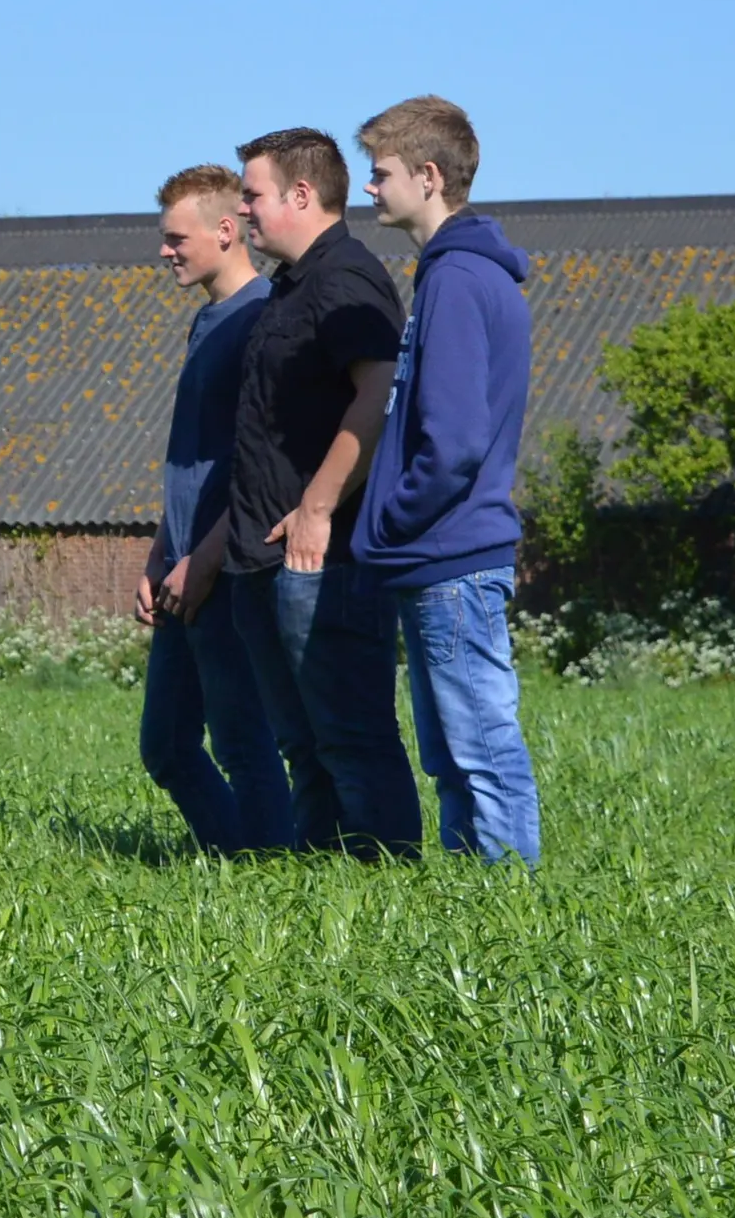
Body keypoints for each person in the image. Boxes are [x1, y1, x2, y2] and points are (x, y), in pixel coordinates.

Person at [351, 96, 542, 862]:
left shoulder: (458, 279)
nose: (369, 189)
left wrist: (393, 518)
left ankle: (506, 921)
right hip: (444, 554)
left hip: (450, 555)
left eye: (381, 173)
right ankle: (475, 912)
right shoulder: (453, 274)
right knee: (454, 754)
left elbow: (454, 441)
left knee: (479, 748)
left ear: (428, 177)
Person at [222, 127, 418, 858]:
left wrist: (317, 507)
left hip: (322, 562)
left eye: (253, 194)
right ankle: (325, 902)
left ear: (301, 195)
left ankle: (384, 893)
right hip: (267, 560)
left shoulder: (345, 280)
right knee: (304, 746)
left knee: (351, 739)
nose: (243, 210)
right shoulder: (292, 285)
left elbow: (378, 393)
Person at [131, 165, 290, 854]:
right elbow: (192, 455)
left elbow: (260, 466)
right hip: (181, 565)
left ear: (226, 231)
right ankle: (238, 860)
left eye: (176, 237)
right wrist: (162, 548)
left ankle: (272, 877)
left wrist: (204, 558)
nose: (165, 251)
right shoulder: (205, 321)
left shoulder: (263, 319)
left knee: (242, 741)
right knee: (166, 744)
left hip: (226, 568)